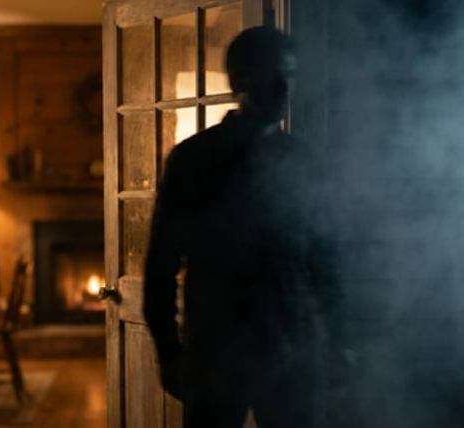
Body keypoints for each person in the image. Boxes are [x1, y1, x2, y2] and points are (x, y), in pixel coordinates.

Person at [143, 26, 343, 427]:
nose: (284, 88)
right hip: (216, 351)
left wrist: (339, 343)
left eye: (290, 75)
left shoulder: (304, 163)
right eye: (272, 75)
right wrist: (169, 352)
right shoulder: (194, 160)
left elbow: (326, 260)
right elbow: (160, 266)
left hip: (291, 350)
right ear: (240, 81)